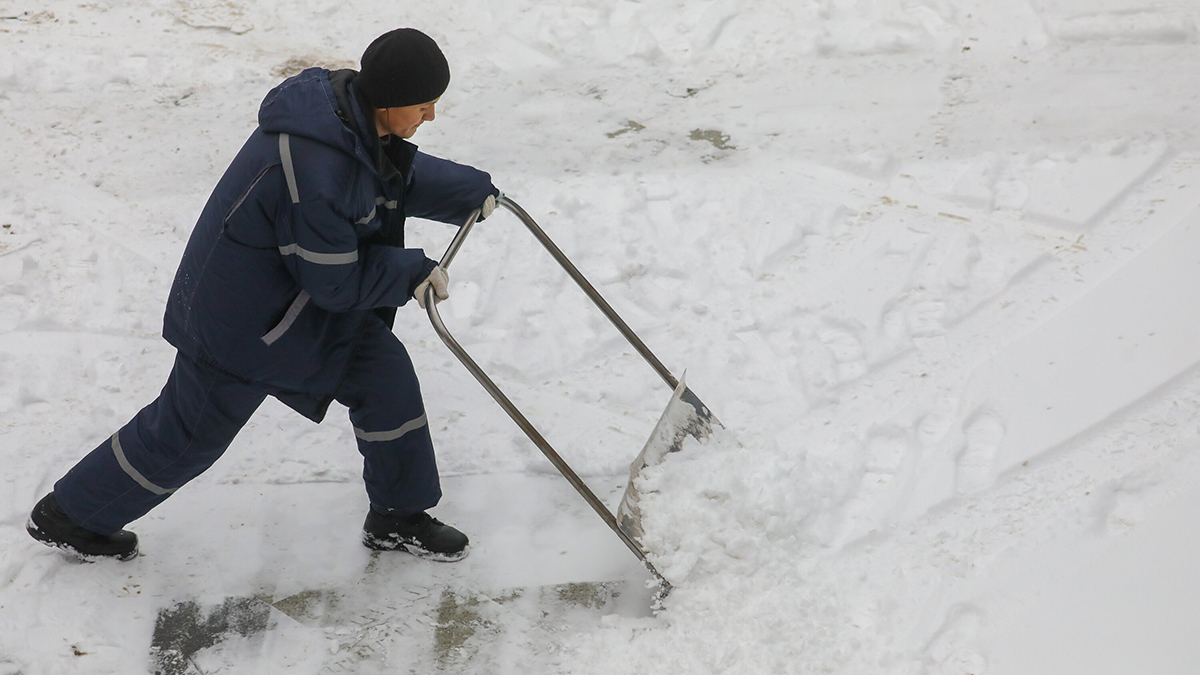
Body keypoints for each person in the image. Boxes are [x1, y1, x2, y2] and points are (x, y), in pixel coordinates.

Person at [26, 28, 497, 563]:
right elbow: (336, 281)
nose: (431, 115)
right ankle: (70, 516)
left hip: (296, 308)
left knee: (386, 379)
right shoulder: (318, 170)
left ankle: (398, 516)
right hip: (246, 325)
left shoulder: (348, 122)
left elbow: (390, 176)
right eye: (424, 104)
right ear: (388, 100)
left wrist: (468, 192)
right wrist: (411, 272)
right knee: (185, 436)